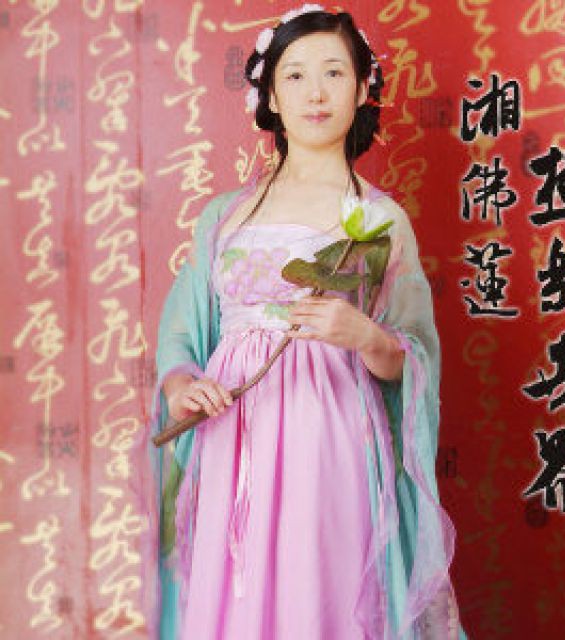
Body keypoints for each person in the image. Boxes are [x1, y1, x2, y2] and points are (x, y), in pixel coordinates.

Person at [148, 5, 469, 639]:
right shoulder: (224, 216)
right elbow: (181, 332)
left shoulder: (377, 219)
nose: (315, 93)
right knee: (236, 596)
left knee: (321, 588)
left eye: (333, 73)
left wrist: (365, 336)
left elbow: (414, 353)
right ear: (270, 95)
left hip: (332, 433)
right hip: (235, 434)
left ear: (362, 89)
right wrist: (183, 385)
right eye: (295, 75)